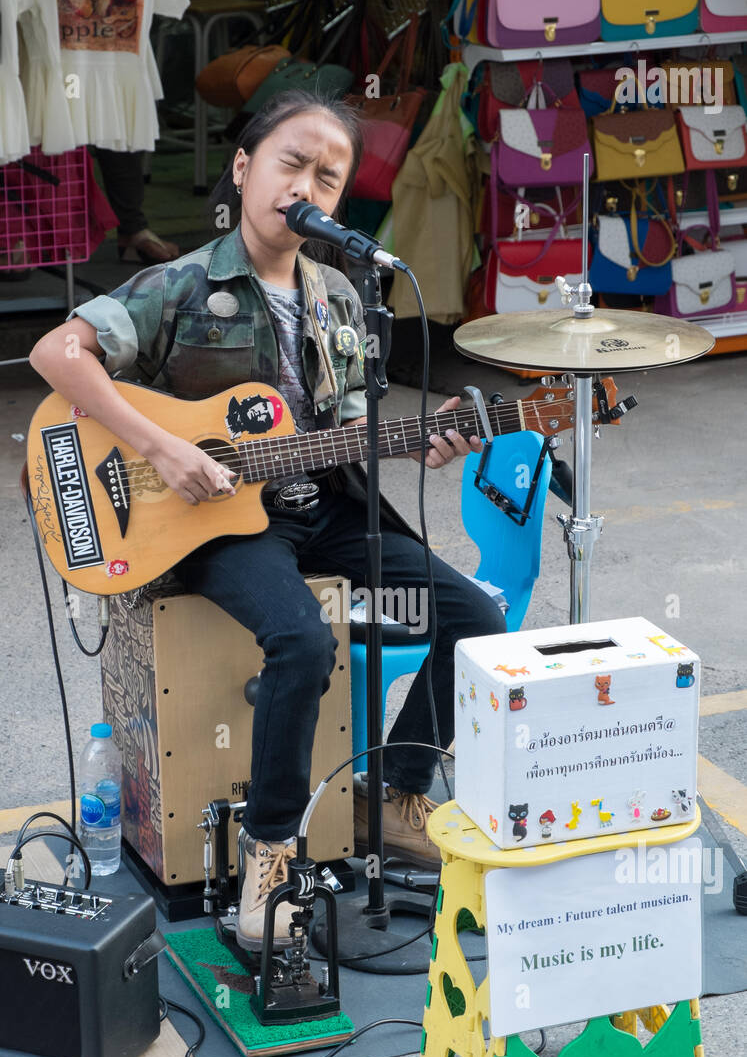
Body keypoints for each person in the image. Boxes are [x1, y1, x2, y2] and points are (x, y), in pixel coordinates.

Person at [29, 90, 506, 951]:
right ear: (245, 168)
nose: (307, 187)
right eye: (291, 162)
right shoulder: (181, 283)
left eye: (329, 176)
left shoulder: (343, 298)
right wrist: (163, 448)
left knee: (476, 616)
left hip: (323, 503)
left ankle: (390, 792)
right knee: (302, 641)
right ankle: (273, 849)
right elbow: (56, 352)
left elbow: (351, 425)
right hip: (214, 521)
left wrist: (420, 441)